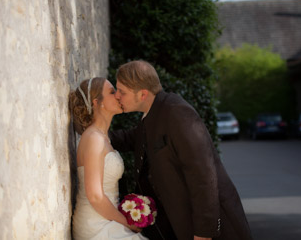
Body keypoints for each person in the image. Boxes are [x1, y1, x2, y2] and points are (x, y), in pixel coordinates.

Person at [109, 60, 253, 240]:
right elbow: (132, 138)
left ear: (143, 94)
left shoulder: (177, 113)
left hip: (215, 229)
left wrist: (203, 233)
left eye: (122, 92)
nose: (117, 96)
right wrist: (98, 135)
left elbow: (203, 175)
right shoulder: (153, 113)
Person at [69, 77, 148, 240]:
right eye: (113, 92)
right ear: (97, 102)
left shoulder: (103, 137)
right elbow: (95, 196)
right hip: (95, 225)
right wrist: (128, 222)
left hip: (108, 219)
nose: (119, 95)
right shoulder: (93, 139)